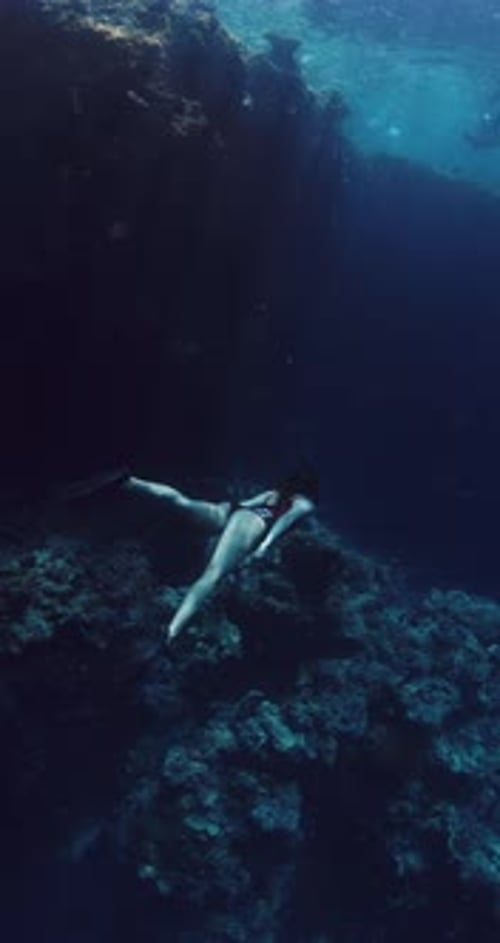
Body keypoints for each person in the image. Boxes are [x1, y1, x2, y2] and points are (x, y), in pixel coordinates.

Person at [61, 466, 318, 642]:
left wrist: (236, 520)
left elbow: (247, 505)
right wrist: (264, 547)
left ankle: (130, 482)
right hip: (253, 524)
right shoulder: (306, 504)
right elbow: (283, 521)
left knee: (180, 502)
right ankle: (171, 631)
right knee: (211, 576)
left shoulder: (274, 492)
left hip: (230, 510)